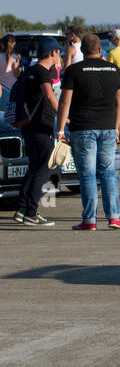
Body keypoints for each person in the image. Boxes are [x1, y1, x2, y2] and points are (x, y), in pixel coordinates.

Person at [55, 34, 120, 230]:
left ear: (82, 51)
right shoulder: (113, 70)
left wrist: (60, 130)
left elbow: (64, 102)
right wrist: (117, 126)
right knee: (108, 173)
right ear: (100, 50)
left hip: (83, 128)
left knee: (87, 175)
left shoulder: (74, 70)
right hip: (108, 127)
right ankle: (114, 217)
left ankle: (90, 220)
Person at [12, 38, 63, 226]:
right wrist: (64, 117)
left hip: (27, 127)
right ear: (52, 53)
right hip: (42, 127)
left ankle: (21, 209)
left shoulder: (30, 71)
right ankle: (31, 213)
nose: (60, 55)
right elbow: (49, 95)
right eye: (58, 52)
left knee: (33, 169)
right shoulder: (42, 73)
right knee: (43, 170)